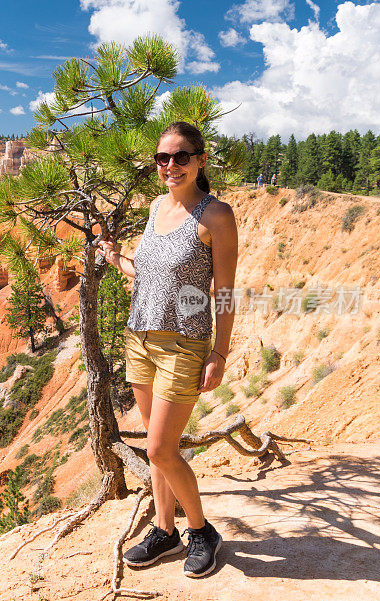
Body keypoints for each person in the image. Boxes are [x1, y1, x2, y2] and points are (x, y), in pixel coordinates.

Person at [97, 121, 238, 578]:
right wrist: (116, 259)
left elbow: (225, 292)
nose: (170, 166)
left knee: (159, 449)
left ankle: (201, 532)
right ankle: (164, 529)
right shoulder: (157, 207)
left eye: (181, 156)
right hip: (140, 339)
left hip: (184, 345)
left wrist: (219, 353)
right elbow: (152, 273)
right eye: (162, 158)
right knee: (158, 445)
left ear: (200, 160)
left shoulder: (216, 216)